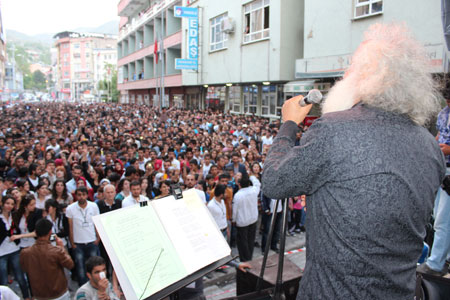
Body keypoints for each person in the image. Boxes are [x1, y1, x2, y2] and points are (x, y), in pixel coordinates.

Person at [261, 23, 445, 299]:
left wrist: (289, 123)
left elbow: (274, 182)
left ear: (367, 78)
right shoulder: (430, 147)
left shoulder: (334, 130)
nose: (344, 76)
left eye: (350, 69)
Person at [417, 97, 450, 276]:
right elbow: (439, 135)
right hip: (441, 168)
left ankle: (436, 263)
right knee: (437, 216)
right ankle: (443, 257)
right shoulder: (443, 114)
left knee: (443, 221)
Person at [20, 218, 74, 300]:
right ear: (50, 232)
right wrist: (62, 248)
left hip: (39, 295)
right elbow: (70, 265)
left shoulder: (25, 252)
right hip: (59, 294)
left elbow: (24, 268)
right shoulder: (57, 251)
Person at [66, 186, 100, 285]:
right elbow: (70, 227)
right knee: (80, 266)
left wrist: (98, 238)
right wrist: (72, 242)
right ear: (76, 196)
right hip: (78, 243)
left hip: (92, 241)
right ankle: (83, 287)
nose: (81, 197)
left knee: (94, 265)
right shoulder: (70, 208)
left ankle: (96, 284)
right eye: (79, 195)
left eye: (83, 195)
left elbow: (97, 222)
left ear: (87, 195)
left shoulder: (93, 206)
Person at [0, 196, 30, 299]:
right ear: (3, 203)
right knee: (3, 280)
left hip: (15, 249)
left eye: (12, 204)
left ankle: (26, 297)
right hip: (1, 252)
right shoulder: (0, 218)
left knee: (20, 276)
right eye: (7, 203)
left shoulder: (15, 217)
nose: (9, 206)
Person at [232, 174, 261, 262]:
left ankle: (245, 259)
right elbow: (257, 183)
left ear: (239, 184)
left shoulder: (238, 195)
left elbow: (234, 210)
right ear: (249, 183)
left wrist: (233, 220)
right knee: (250, 241)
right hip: (252, 219)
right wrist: (251, 176)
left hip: (242, 222)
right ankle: (249, 258)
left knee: (242, 242)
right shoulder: (254, 190)